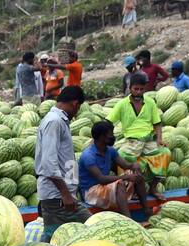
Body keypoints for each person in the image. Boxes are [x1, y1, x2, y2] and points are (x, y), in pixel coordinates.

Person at [35, 84, 90, 237]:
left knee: (56, 238)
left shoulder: (59, 120)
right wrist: (65, 194)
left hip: (61, 196)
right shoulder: (54, 122)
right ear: (75, 104)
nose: (77, 113)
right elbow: (48, 163)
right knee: (92, 228)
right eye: (78, 108)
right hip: (57, 197)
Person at [107, 74, 165, 214]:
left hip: (148, 140)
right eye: (135, 89)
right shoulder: (122, 104)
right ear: (130, 87)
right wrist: (103, 138)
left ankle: (153, 187)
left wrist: (159, 139)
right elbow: (108, 121)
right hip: (132, 141)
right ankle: (129, 189)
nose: (138, 92)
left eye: (141, 89)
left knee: (165, 154)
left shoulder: (150, 102)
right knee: (121, 156)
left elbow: (157, 123)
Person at [78, 120, 132, 213]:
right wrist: (124, 177)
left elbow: (125, 165)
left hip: (104, 186)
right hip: (91, 192)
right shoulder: (88, 155)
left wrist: (133, 167)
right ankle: (129, 219)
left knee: (134, 174)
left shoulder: (110, 150)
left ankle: (147, 211)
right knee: (120, 184)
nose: (113, 137)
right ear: (101, 136)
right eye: (110, 134)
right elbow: (101, 179)